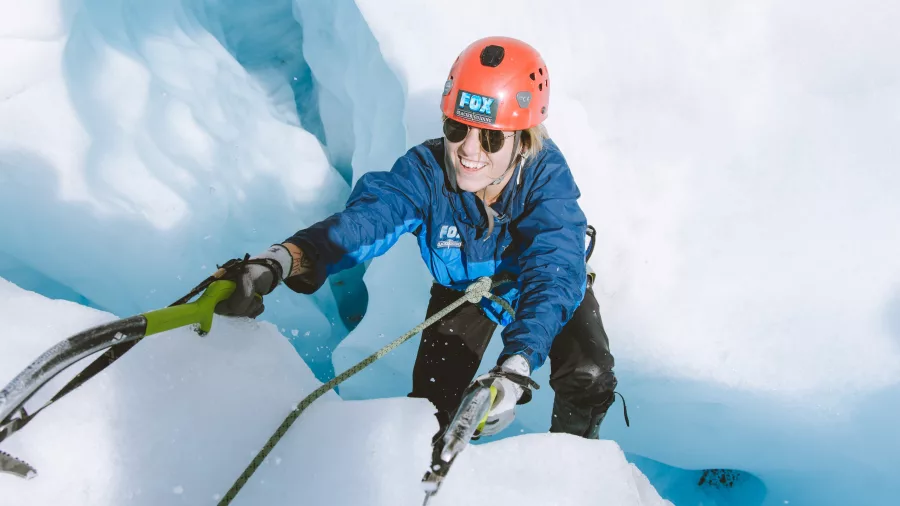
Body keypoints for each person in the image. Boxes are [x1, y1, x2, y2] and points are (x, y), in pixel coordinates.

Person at [213, 36, 619, 441]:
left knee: (589, 374)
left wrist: (517, 365)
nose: (469, 150)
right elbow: (366, 221)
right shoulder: (425, 173)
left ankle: (575, 467)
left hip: (542, 284)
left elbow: (555, 268)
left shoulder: (545, 178)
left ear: (522, 139)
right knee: (430, 412)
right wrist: (284, 258)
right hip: (465, 290)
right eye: (457, 128)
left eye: (491, 137)